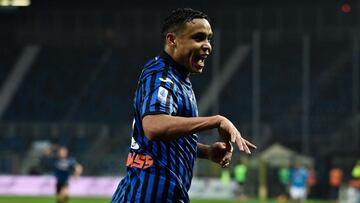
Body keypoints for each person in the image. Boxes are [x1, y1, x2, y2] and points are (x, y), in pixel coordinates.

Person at [110, 8, 256, 203]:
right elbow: (154, 127)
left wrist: (207, 151)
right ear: (172, 40)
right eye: (198, 38)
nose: (207, 46)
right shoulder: (162, 75)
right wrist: (216, 121)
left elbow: (160, 143)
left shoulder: (178, 78)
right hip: (148, 195)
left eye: (209, 38)